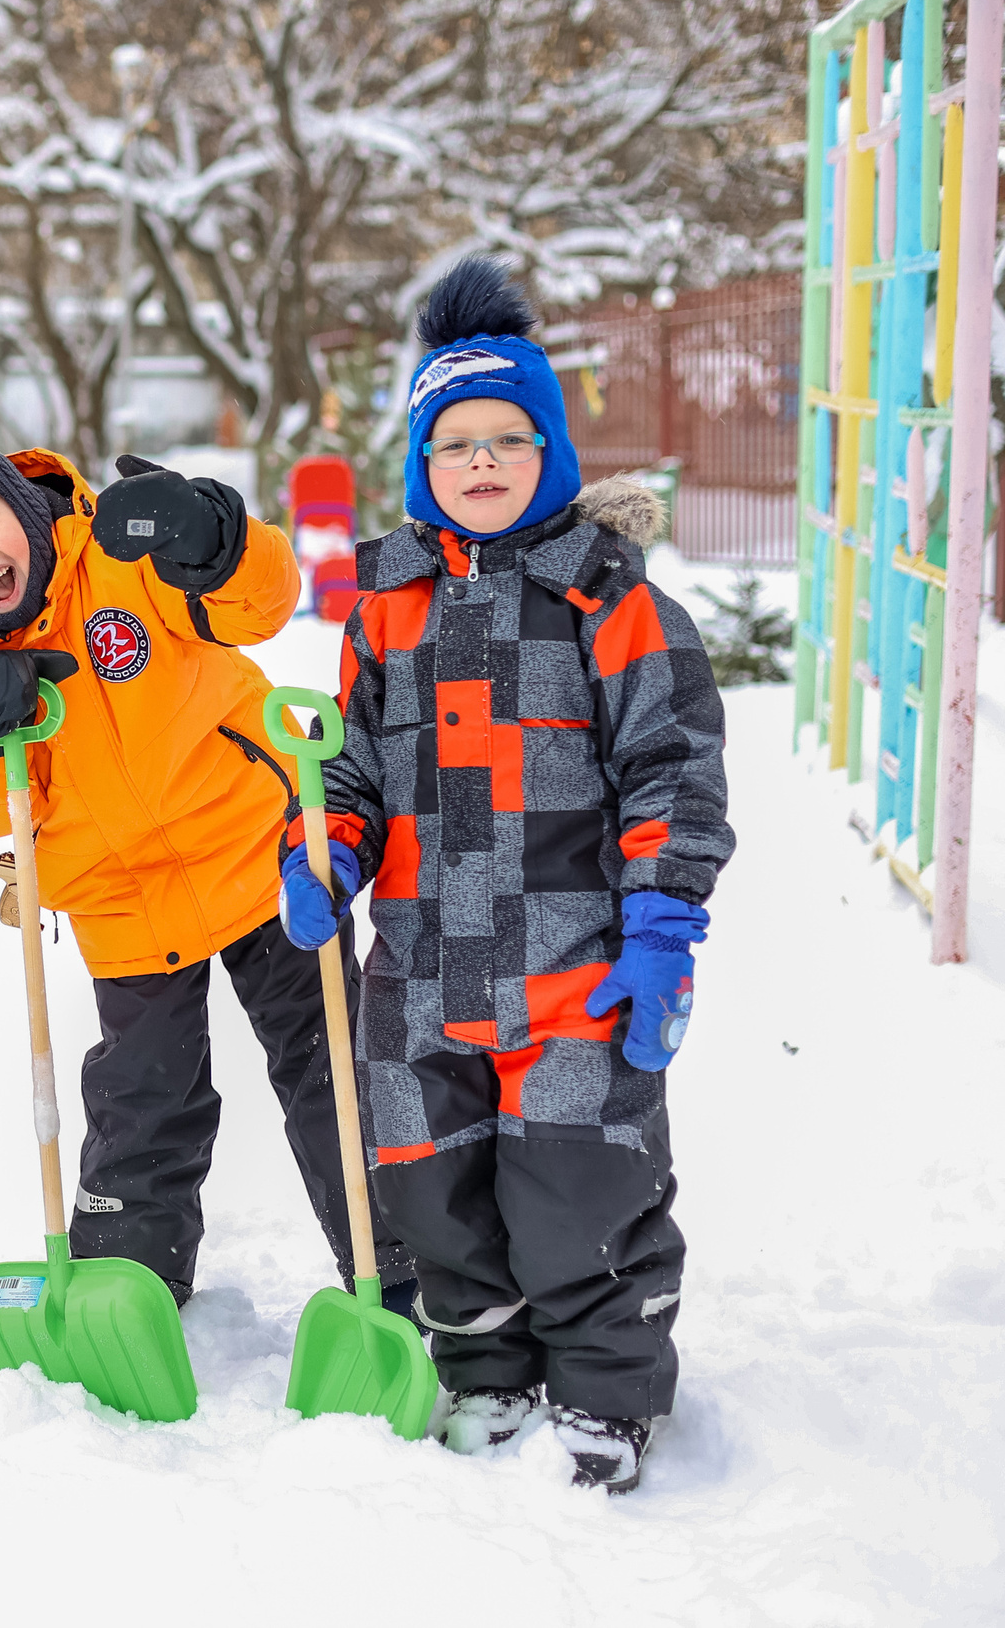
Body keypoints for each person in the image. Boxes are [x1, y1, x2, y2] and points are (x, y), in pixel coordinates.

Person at [277, 258, 732, 1493]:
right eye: (454, 444)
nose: (480, 462)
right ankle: (486, 1371)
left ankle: (604, 1396)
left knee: (579, 1193)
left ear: (552, 451)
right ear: (421, 463)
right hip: (421, 972)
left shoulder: (609, 599)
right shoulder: (384, 607)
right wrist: (324, 850)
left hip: (572, 966)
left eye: (507, 440)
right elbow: (352, 764)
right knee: (434, 1195)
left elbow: (671, 769)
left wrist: (660, 927)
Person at [0, 365, 412, 1317]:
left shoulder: (122, 560)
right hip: (120, 904)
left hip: (255, 852)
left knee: (331, 1066)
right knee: (144, 1100)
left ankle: (405, 1267)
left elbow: (263, 602)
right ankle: (127, 1286)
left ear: (24, 503)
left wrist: (213, 537)